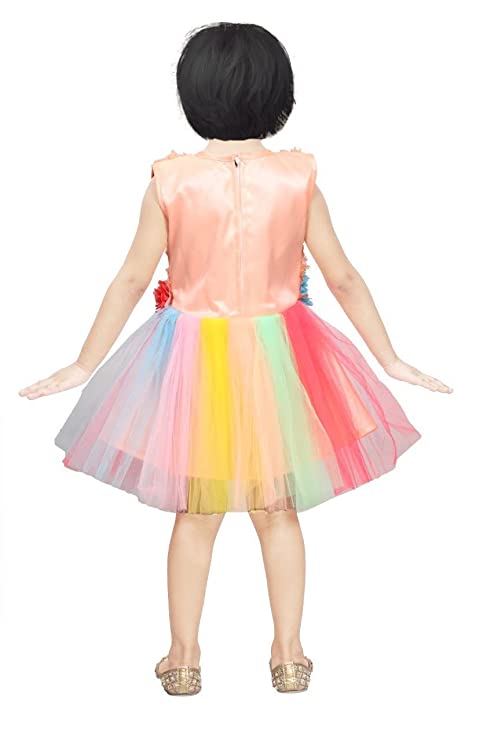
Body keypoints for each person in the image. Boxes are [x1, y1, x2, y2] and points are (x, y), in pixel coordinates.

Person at [18, 22, 453, 696]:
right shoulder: (298, 177)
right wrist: (388, 357)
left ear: (192, 95)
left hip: (193, 363)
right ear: (279, 95)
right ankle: (290, 655)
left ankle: (183, 657)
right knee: (278, 510)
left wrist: (84, 364)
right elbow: (341, 277)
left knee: (197, 512)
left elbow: (131, 279)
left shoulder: (171, 180)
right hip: (282, 357)